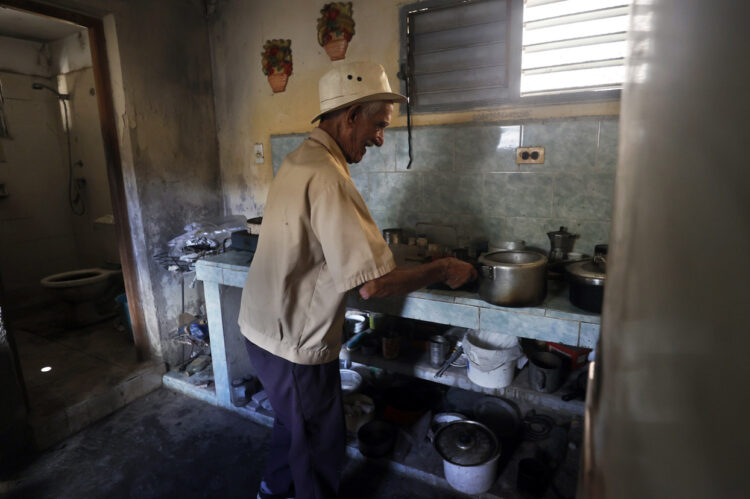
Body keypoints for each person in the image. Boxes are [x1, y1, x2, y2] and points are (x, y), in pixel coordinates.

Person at [238, 61, 477, 499]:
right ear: (350, 116)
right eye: (378, 125)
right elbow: (374, 285)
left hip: (261, 329)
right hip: (292, 341)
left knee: (292, 424)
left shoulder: (299, 159)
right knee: (319, 443)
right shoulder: (329, 177)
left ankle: (272, 489)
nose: (381, 138)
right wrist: (441, 269)